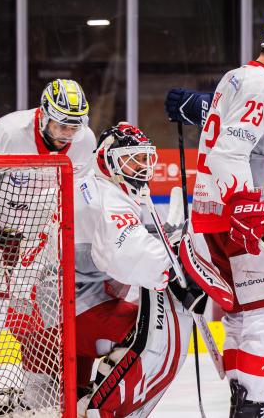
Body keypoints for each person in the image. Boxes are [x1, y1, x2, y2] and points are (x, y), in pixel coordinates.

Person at [166, 15, 264, 418]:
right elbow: (230, 151)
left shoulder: (236, 77)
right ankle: (253, 407)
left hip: (213, 214)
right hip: (249, 215)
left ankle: (242, 403)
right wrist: (244, 205)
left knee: (239, 315)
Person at [0, 79, 96, 410]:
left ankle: (41, 388)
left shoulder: (84, 140)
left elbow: (77, 193)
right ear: (44, 114)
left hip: (36, 230)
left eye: (74, 126)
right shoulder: (9, 130)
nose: (66, 134)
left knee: (35, 311)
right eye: (61, 124)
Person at [74, 123, 194, 417]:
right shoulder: (106, 196)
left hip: (54, 304)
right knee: (151, 334)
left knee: (64, 400)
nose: (141, 167)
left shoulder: (94, 182)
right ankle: (102, 410)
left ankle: (82, 401)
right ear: (107, 157)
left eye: (144, 158)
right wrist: (176, 267)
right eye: (132, 158)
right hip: (64, 311)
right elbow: (125, 255)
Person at [0, 79, 96, 177]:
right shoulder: (9, 131)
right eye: (62, 126)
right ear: (43, 116)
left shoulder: (86, 140)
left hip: (50, 211)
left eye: (74, 128)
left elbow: (82, 193)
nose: (68, 134)